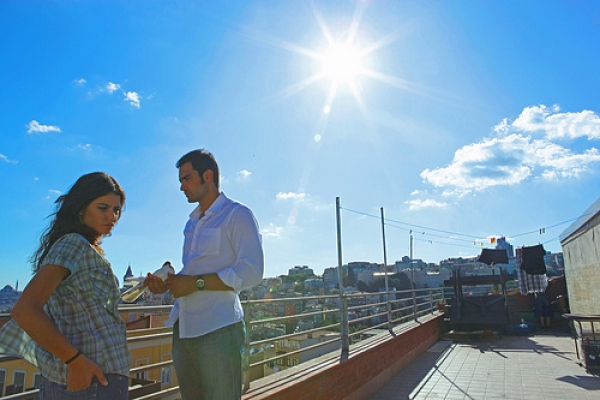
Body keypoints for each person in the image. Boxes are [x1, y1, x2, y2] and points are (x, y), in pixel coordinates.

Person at [145, 149, 264, 400]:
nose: (181, 187)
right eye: (180, 181)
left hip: (218, 330)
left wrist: (195, 284)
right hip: (183, 328)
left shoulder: (237, 214)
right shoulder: (191, 223)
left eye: (186, 178)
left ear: (207, 175)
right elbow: (192, 274)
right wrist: (167, 283)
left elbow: (252, 271)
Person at [0, 172, 131, 399]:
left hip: (97, 376)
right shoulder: (73, 243)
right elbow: (24, 310)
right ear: (81, 208)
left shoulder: (86, 248)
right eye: (103, 208)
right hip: (88, 380)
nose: (112, 216)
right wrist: (75, 361)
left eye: (116, 210)